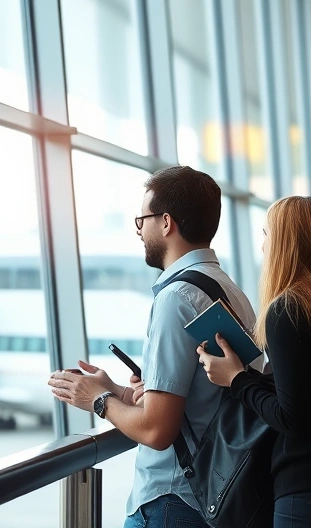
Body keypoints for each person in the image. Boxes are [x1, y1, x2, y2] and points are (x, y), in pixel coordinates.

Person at [47, 166, 255, 528]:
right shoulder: (230, 291)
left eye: (142, 219)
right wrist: (113, 388)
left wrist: (97, 400)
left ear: (166, 222)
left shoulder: (176, 298)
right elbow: (203, 399)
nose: (139, 230)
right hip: (219, 490)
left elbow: (157, 431)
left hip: (173, 500)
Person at [198, 196, 311, 528]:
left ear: (285, 242)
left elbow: (293, 416)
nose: (262, 246)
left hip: (307, 489)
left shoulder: (287, 310)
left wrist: (237, 379)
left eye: (267, 234)